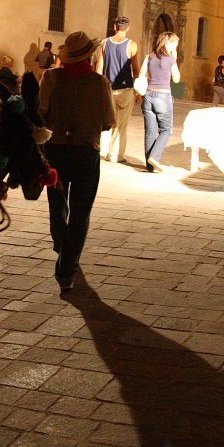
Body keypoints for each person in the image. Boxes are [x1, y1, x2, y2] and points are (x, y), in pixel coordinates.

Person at [38, 32, 115, 291]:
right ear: (89, 56)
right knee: (81, 212)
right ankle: (66, 270)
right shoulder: (99, 83)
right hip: (85, 152)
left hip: (56, 150)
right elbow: (108, 122)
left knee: (57, 203)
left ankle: (61, 243)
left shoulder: (50, 77)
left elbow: (41, 112)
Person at [94, 15, 139, 163]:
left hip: (107, 88)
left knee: (105, 121)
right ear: (128, 28)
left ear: (114, 26)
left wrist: (98, 87)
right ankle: (115, 155)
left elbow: (99, 67)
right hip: (125, 89)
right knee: (121, 124)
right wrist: (138, 91)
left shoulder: (105, 43)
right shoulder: (132, 45)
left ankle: (102, 150)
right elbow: (136, 69)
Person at [140, 31, 181, 172]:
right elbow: (176, 79)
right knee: (166, 130)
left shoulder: (149, 56)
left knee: (150, 131)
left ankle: (149, 165)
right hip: (163, 97)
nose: (176, 47)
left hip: (148, 95)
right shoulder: (170, 59)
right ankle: (155, 157)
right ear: (168, 43)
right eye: (175, 44)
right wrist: (174, 59)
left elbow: (141, 73)